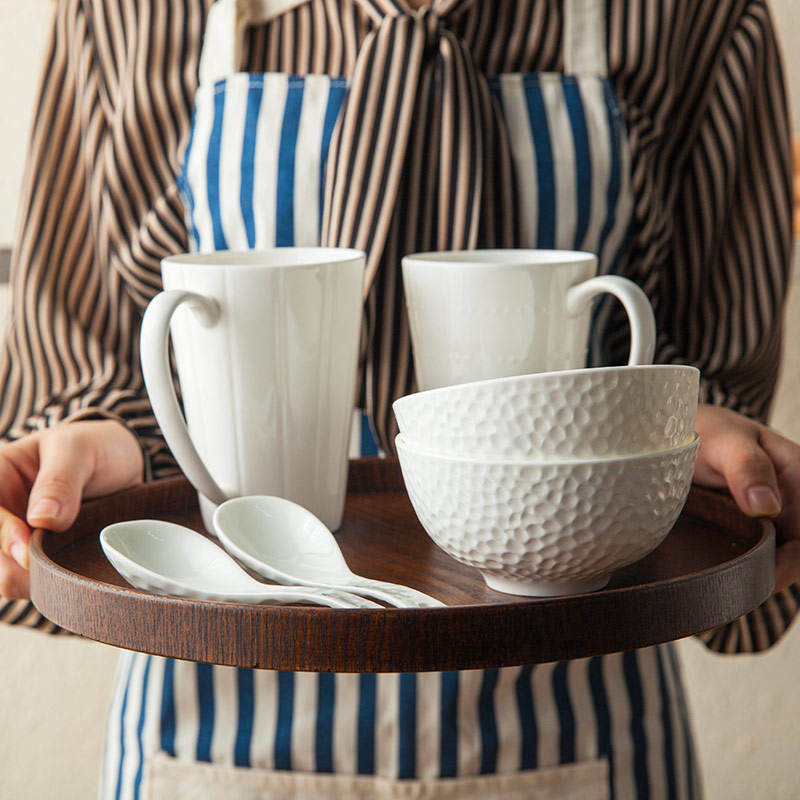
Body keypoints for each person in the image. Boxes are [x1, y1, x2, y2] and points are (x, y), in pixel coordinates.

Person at [1, 0, 798, 797]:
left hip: (579, 713)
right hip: (208, 720)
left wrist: (687, 444)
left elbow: (694, 375)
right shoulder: (123, 14)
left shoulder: (698, 14)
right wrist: (92, 451)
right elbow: (106, 355)